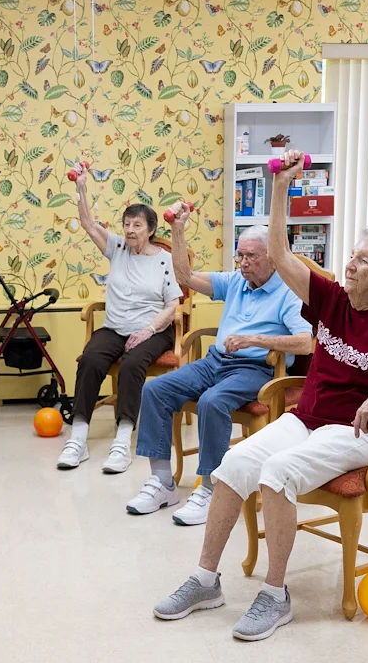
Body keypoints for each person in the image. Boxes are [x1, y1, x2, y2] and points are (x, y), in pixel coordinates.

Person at [152, 150, 368, 641]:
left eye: (364, 261)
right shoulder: (330, 298)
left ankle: (276, 594)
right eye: (353, 255)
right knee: (232, 464)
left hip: (357, 433)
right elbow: (283, 255)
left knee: (277, 473)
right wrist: (282, 187)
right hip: (307, 419)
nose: (351, 266)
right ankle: (205, 580)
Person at [127, 216, 313, 525]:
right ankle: (162, 482)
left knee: (212, 402)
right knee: (155, 389)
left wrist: (255, 339)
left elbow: (305, 343)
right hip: (216, 361)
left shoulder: (288, 293)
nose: (242, 262)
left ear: (273, 257)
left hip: (255, 368)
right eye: (239, 255)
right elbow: (184, 275)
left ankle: (210, 488)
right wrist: (177, 229)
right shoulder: (235, 281)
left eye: (250, 256)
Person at [58, 167, 183, 474]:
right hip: (115, 327)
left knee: (131, 365)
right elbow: (88, 224)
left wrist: (148, 329)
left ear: (150, 229)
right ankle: (78, 438)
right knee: (89, 360)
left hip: (154, 329)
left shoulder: (166, 260)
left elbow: (173, 306)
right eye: (126, 224)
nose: (129, 230)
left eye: (136, 225)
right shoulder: (117, 249)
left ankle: (122, 440)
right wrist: (82, 188)